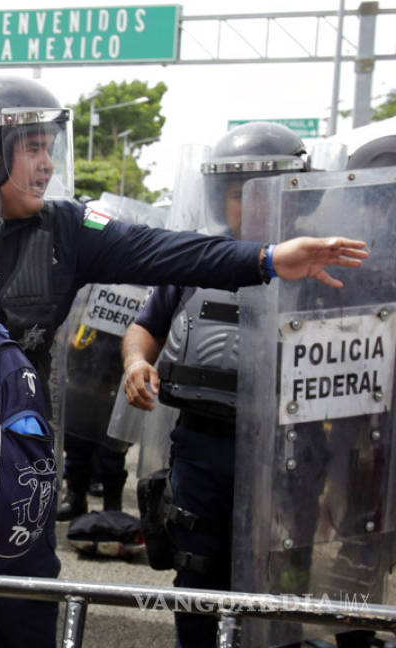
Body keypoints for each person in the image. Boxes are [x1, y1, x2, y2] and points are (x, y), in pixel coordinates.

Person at [0, 76, 366, 648]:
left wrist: (265, 258)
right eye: (32, 148)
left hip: (16, 455)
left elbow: (167, 249)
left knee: (27, 615)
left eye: (50, 147)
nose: (46, 164)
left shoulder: (67, 227)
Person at [118, 122, 368, 648]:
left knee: (281, 571)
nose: (251, 206)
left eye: (267, 191)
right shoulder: (196, 261)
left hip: (294, 449)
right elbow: (146, 325)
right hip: (205, 446)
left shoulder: (329, 269)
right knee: (198, 570)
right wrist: (136, 362)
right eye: (239, 194)